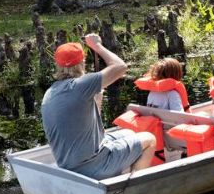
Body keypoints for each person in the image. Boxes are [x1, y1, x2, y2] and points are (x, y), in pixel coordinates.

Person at [40, 34, 156, 180]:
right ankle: (134, 189)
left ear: (58, 65)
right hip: (94, 167)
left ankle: (122, 173)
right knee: (149, 139)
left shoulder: (51, 91)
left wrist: (97, 102)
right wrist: (97, 46)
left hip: (69, 167)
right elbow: (120, 67)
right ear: (82, 62)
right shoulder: (81, 84)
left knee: (129, 133)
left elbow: (88, 128)